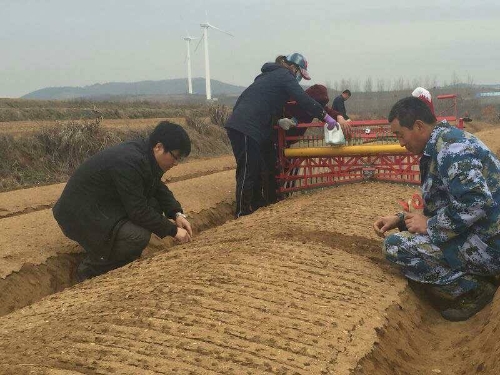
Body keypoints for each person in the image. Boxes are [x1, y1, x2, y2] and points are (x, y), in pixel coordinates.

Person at [373, 97, 500, 321]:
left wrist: (430, 226)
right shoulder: (443, 144)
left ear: (419, 126)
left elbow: (476, 201)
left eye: (400, 134)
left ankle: (473, 287)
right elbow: (444, 203)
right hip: (485, 235)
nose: (401, 143)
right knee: (407, 236)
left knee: (396, 247)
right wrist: (402, 219)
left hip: (490, 245)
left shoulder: (452, 150)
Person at [53, 121, 193, 281]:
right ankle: (91, 269)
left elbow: (157, 187)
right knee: (137, 236)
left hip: (100, 207)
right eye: (175, 157)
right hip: (78, 215)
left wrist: (176, 214)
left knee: (153, 205)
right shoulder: (129, 162)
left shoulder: (146, 156)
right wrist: (173, 231)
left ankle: (115, 256)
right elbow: (138, 211)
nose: (176, 163)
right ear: (159, 147)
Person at [224, 53, 342, 218]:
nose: (299, 78)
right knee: (248, 170)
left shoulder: (269, 75)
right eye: (300, 74)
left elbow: (265, 102)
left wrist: (279, 120)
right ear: (294, 68)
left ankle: (256, 207)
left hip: (247, 125)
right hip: (246, 126)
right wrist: (326, 117)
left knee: (257, 168)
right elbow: (304, 100)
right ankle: (242, 213)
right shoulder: (285, 75)